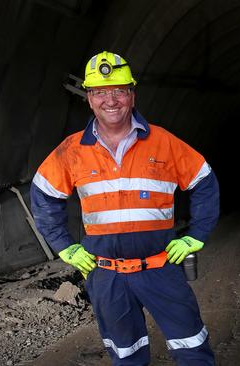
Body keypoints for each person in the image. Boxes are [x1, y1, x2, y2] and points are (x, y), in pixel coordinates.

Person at [30, 51, 219, 365]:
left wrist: (195, 235)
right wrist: (65, 247)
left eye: (118, 90)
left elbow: (204, 182)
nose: (110, 99)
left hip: (161, 268)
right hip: (106, 275)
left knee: (192, 350)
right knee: (125, 355)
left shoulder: (165, 143)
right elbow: (43, 194)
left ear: (132, 94)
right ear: (89, 99)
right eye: (100, 92)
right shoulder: (72, 150)